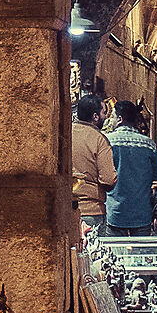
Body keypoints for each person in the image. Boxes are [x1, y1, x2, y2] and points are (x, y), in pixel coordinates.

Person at [104, 99, 157, 236]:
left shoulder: (106, 141)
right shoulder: (149, 144)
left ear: (120, 119)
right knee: (140, 249)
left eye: (113, 117)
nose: (111, 121)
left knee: (113, 250)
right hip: (142, 213)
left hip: (115, 213)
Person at [69, 95, 117, 234]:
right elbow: (108, 179)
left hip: (65, 209)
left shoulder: (66, 134)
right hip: (91, 212)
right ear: (95, 116)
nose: (105, 117)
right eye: (104, 113)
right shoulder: (99, 140)